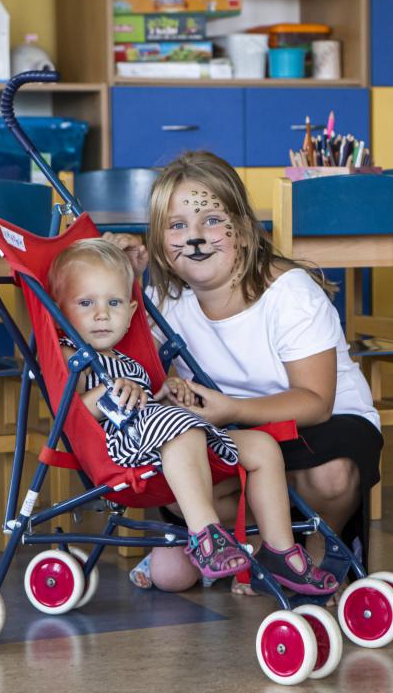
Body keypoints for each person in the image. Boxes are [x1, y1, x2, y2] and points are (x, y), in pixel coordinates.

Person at [107, 150, 383, 593]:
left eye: (212, 220)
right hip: (234, 431)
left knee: (330, 477)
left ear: (243, 229)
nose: (195, 238)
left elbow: (316, 402)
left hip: (318, 422)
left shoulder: (288, 293)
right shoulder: (165, 301)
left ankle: (321, 542)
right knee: (174, 537)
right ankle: (258, 544)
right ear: (158, 242)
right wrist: (125, 281)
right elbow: (126, 372)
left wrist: (231, 408)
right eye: (177, 226)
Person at [49, 237, 337, 595]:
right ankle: (206, 536)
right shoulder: (71, 354)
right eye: (85, 303)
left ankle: (280, 551)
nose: (102, 314)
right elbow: (70, 413)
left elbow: (145, 404)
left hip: (163, 437)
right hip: (118, 448)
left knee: (261, 445)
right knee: (181, 428)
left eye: (114, 303)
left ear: (132, 311)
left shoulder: (124, 358)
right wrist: (107, 392)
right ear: (61, 310)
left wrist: (165, 391)